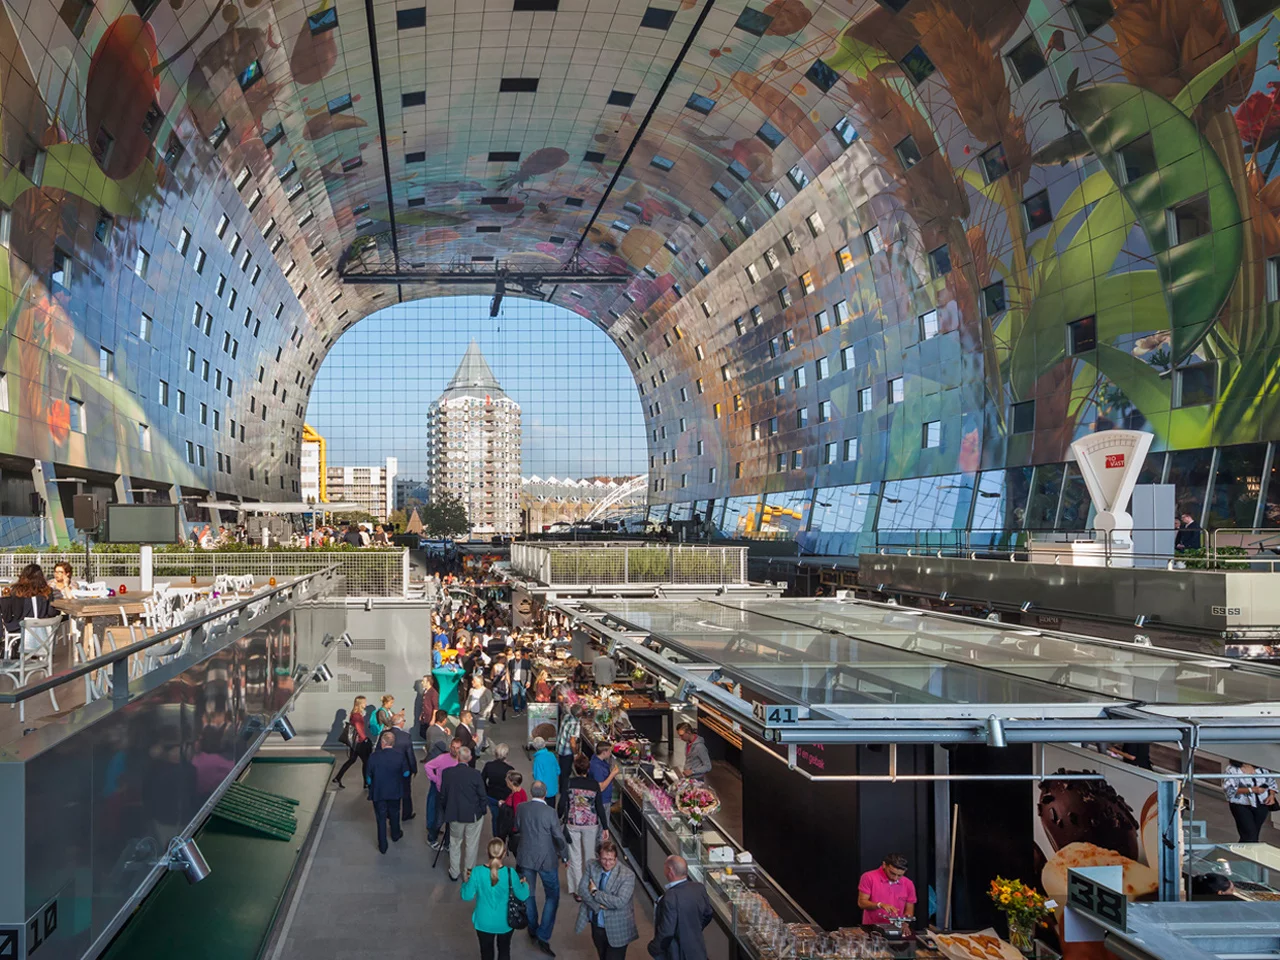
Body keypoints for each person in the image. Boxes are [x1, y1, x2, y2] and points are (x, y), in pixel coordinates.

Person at [517, 780, 569, 957]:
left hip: (526, 856)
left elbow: (518, 826)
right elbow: (558, 836)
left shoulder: (522, 808)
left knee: (528, 894)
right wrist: (565, 854)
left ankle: (532, 928)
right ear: (545, 794)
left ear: (531, 792)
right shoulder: (550, 812)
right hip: (547, 859)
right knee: (552, 896)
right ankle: (543, 934)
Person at [462, 838, 531, 960]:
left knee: (486, 953)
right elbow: (523, 895)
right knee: (504, 950)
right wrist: (525, 884)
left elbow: (466, 896)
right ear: (504, 854)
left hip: (483, 921)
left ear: (487, 852)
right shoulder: (511, 873)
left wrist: (465, 882)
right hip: (505, 921)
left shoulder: (477, 872)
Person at [576, 840, 638, 960]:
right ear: (599, 857)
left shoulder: (627, 875)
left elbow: (620, 902)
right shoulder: (591, 865)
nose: (607, 863)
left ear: (616, 858)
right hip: (597, 925)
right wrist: (598, 905)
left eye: (611, 859)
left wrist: (595, 892)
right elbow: (582, 890)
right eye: (604, 859)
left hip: (618, 929)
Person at [647, 855, 713, 960]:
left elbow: (667, 932)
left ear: (670, 870)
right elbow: (708, 914)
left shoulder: (670, 897)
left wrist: (654, 948)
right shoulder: (699, 888)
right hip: (697, 950)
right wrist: (692, 929)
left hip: (676, 954)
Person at [561, 753, 608, 899]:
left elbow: (562, 803)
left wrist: (558, 818)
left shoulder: (569, 783)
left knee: (574, 857)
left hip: (573, 822)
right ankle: (591, 886)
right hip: (591, 823)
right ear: (588, 769)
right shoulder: (594, 785)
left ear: (575, 768)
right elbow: (599, 806)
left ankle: (578, 891)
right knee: (589, 856)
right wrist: (605, 827)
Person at [441, 746, 489, 881]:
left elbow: (443, 795)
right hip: (473, 815)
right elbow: (482, 795)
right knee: (471, 845)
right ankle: (468, 874)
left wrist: (446, 809)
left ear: (457, 757)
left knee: (455, 843)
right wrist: (483, 810)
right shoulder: (475, 774)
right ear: (470, 759)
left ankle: (454, 872)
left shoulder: (447, 773)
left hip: (455, 814)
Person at [366, 730, 409, 854]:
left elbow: (368, 778)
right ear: (393, 743)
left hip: (378, 793)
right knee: (395, 814)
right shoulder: (400, 756)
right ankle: (395, 835)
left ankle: (383, 845)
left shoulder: (374, 757)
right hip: (395, 791)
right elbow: (406, 773)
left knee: (381, 818)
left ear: (383, 743)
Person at [1224, 759, 1279, 843]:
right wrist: (1251, 790)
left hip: (1262, 805)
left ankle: (1245, 853)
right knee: (1249, 834)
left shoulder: (1262, 767)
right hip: (1241, 805)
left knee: (1253, 834)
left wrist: (1271, 795)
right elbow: (1228, 789)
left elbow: (1271, 783)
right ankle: (1247, 853)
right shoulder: (1232, 769)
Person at [857, 853, 917, 925]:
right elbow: (862, 903)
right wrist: (880, 905)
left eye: (900, 875)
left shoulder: (908, 883)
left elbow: (909, 910)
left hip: (897, 928)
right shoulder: (868, 877)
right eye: (892, 873)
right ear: (884, 865)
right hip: (872, 927)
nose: (895, 878)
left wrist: (905, 923)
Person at [426, 737, 463, 847]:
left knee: (451, 822)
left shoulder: (461, 760)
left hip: (455, 795)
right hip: (442, 793)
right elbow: (428, 766)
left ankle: (447, 843)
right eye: (453, 747)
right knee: (439, 819)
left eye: (457, 748)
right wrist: (436, 779)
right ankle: (431, 838)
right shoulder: (442, 758)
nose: (454, 750)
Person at [1, 563, 54, 639]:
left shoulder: (18, 591)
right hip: (43, 627)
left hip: (22, 628)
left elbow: (16, 613)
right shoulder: (48, 591)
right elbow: (51, 612)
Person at [333, 695, 372, 789]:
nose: (366, 704)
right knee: (366, 762)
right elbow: (359, 729)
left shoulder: (354, 714)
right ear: (360, 703)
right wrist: (365, 739)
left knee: (352, 760)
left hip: (355, 743)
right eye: (364, 702)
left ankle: (338, 778)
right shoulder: (357, 715)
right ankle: (366, 783)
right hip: (359, 742)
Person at [388, 712, 419, 821]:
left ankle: (390, 813)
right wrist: (414, 768)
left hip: (389, 769)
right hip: (403, 769)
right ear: (401, 723)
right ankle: (406, 814)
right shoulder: (405, 736)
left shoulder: (385, 735)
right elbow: (410, 755)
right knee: (406, 792)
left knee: (390, 790)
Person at [483, 742, 515, 834]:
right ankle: (503, 836)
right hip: (505, 797)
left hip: (492, 796)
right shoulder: (509, 769)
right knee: (505, 817)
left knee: (495, 817)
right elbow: (512, 785)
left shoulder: (489, 765)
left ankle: (496, 838)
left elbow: (482, 779)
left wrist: (486, 790)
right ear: (506, 755)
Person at [557, 704, 583, 797]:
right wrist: (575, 754)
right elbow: (572, 741)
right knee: (566, 772)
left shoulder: (567, 716)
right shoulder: (575, 724)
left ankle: (561, 788)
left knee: (562, 771)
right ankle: (564, 792)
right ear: (579, 714)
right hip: (567, 751)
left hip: (561, 747)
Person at [466, 675, 495, 750]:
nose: (472, 682)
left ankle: (477, 751)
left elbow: (490, 703)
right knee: (477, 730)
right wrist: (466, 709)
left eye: (474, 681)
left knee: (479, 733)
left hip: (481, 715)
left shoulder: (486, 691)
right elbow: (468, 700)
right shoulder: (471, 690)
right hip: (472, 714)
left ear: (479, 682)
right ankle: (485, 743)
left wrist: (486, 712)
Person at [590, 742, 620, 809]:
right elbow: (601, 787)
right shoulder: (597, 768)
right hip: (602, 800)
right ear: (604, 752)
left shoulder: (596, 759)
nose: (610, 753)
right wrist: (612, 774)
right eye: (609, 751)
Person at [532, 736, 561, 803]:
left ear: (535, 747)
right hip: (553, 789)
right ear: (544, 744)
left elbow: (538, 778)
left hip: (543, 792)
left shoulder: (538, 760)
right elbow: (558, 771)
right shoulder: (552, 755)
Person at [510, 648, 532, 713]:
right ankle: (516, 708)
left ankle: (522, 707)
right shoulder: (511, 662)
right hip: (514, 681)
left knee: (523, 696)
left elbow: (529, 672)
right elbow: (509, 670)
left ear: (521, 655)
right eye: (516, 655)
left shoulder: (526, 662)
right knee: (514, 696)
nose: (517, 657)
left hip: (523, 681)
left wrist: (528, 681)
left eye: (518, 655)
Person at [419, 674, 440, 739]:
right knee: (422, 733)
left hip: (429, 718)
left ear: (428, 682)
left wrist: (433, 719)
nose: (422, 683)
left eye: (423, 681)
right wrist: (421, 714)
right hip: (424, 717)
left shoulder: (433, 693)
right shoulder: (425, 692)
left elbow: (435, 707)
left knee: (429, 734)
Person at [492, 656, 511, 721]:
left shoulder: (495, 666)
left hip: (497, 686)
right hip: (504, 686)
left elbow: (492, 676)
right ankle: (503, 715)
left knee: (496, 702)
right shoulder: (505, 667)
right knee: (504, 702)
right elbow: (508, 677)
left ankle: (492, 714)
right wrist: (509, 685)